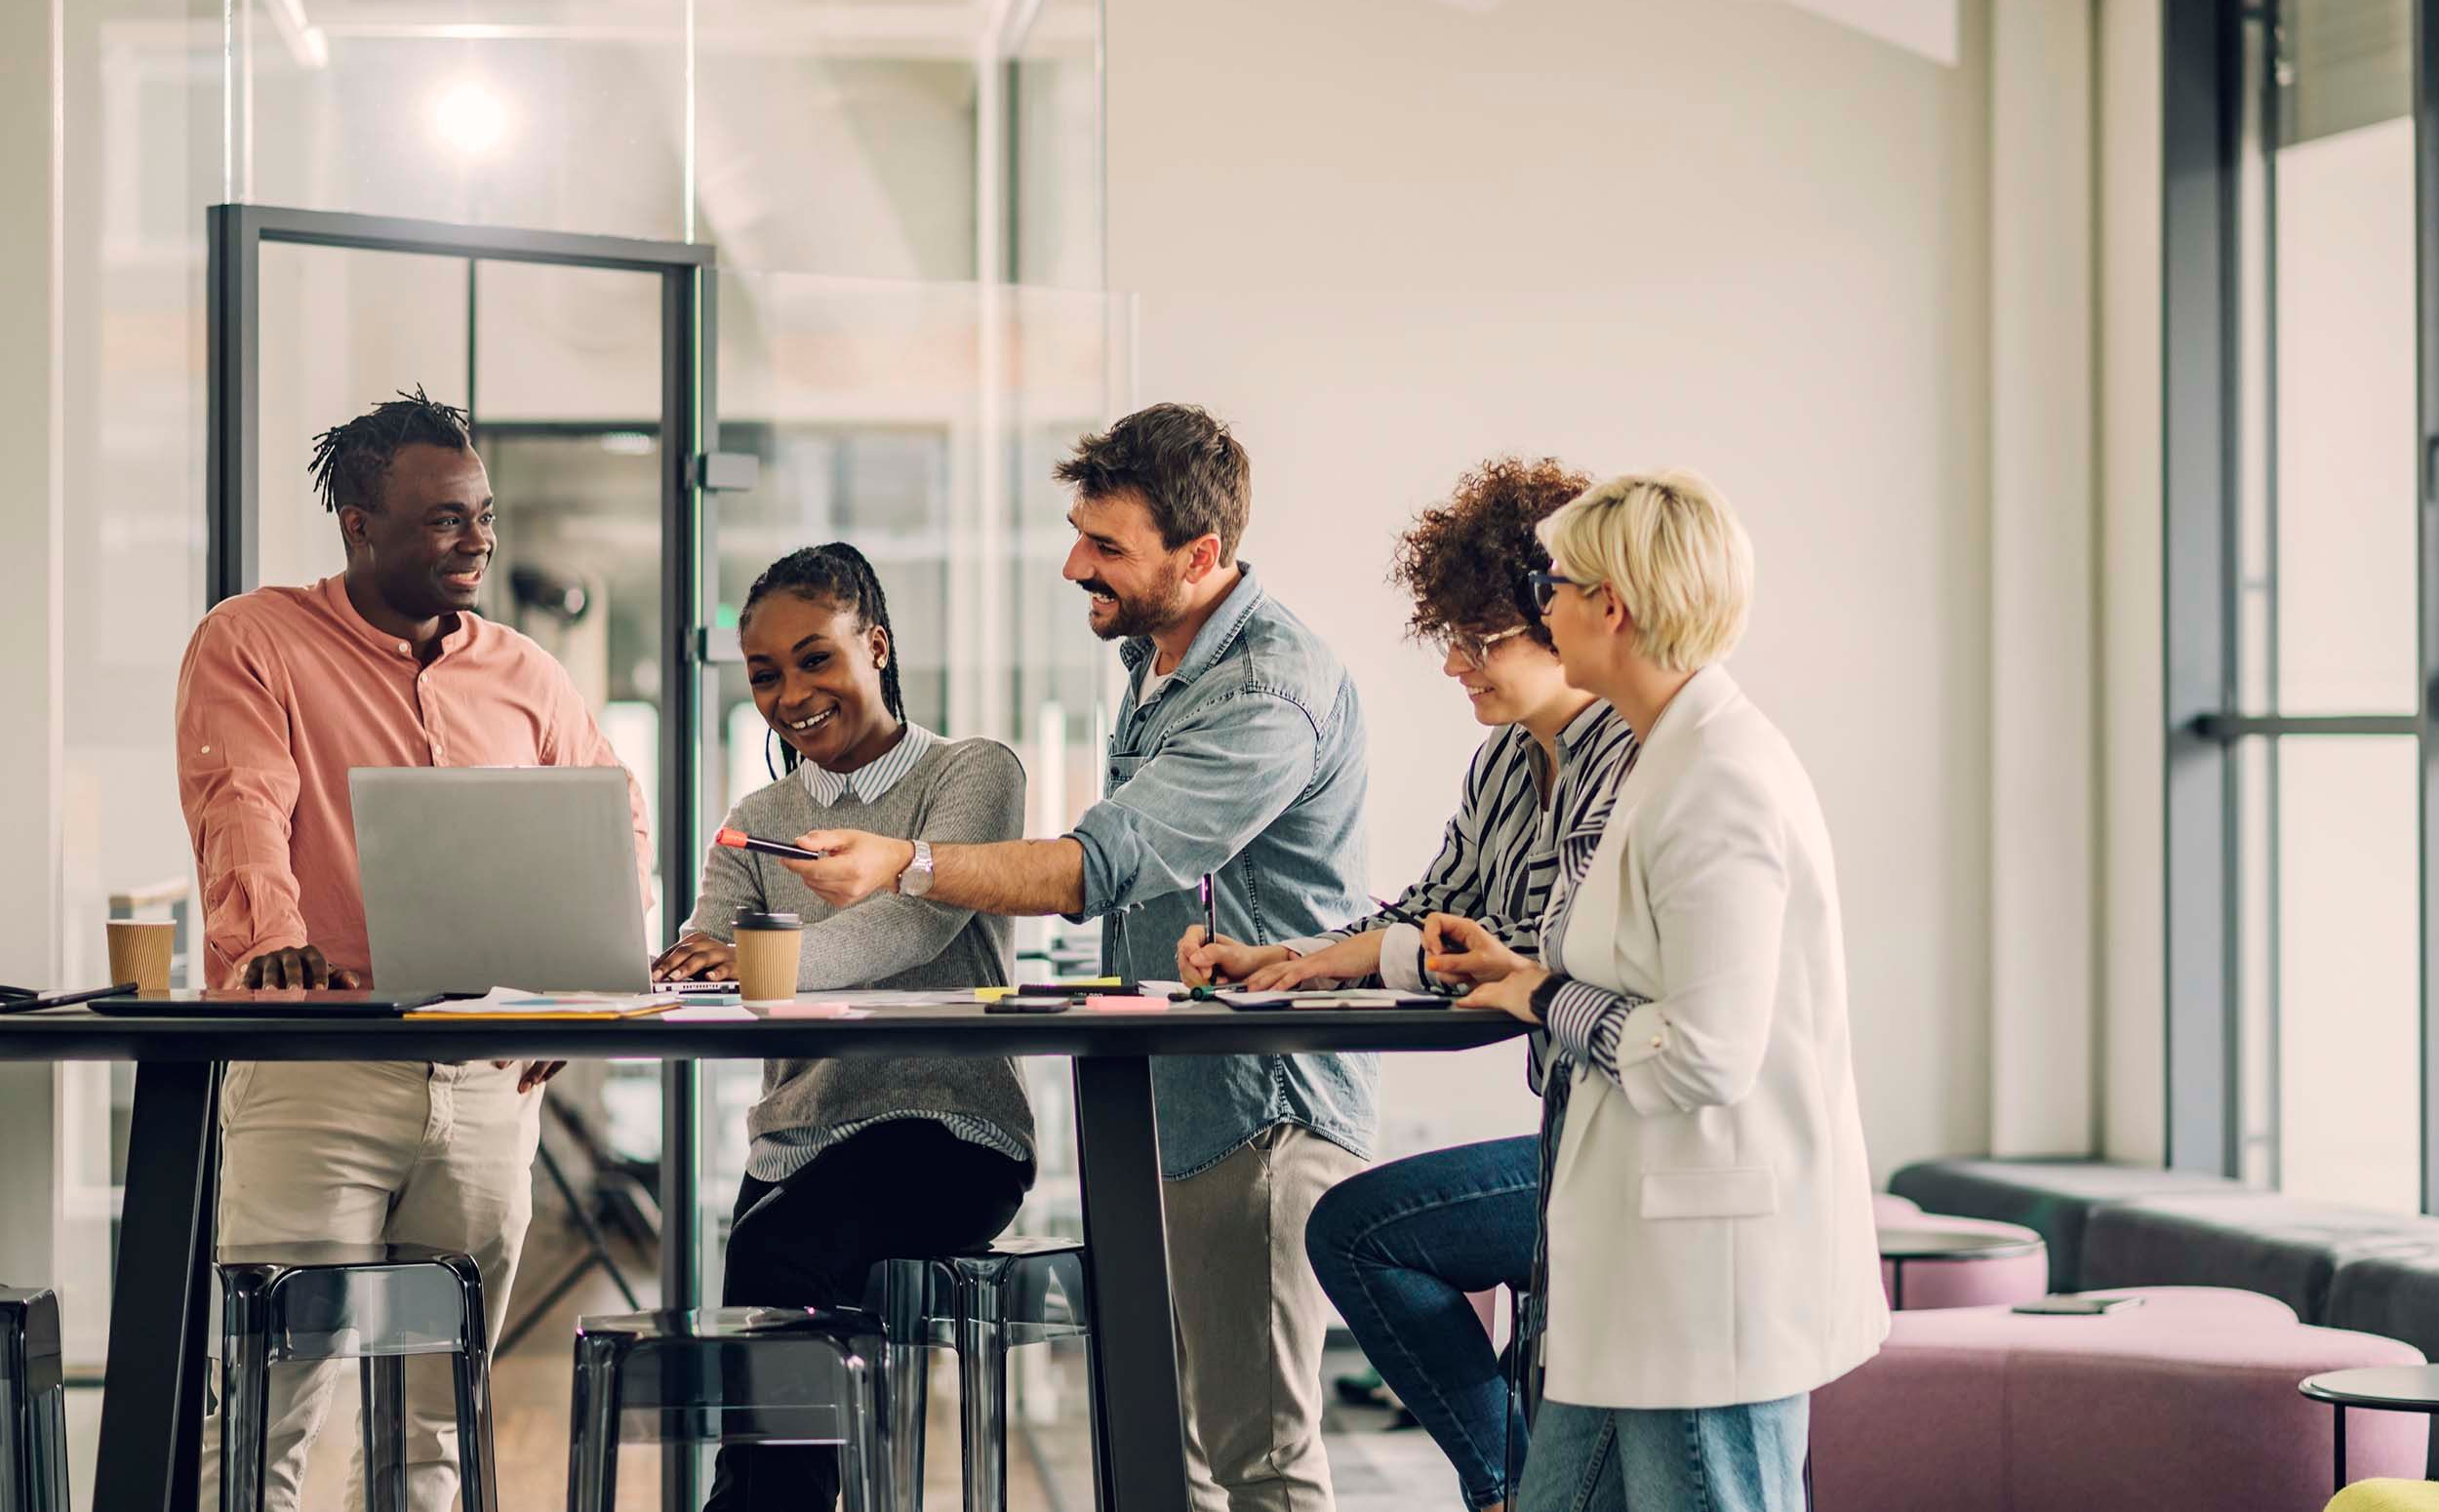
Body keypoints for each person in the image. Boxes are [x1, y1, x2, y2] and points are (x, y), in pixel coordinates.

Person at [781, 403, 1374, 1512]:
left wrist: (906, 862)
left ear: (1201, 556)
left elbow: (1093, 867)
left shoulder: (1263, 689)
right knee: (1170, 1451)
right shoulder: (1166, 653)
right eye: (1078, 532)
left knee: (1259, 1457)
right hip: (1167, 1102)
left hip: (1259, 1111)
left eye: (1106, 546)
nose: (1073, 563)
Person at [175, 388, 653, 1512]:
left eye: (481, 515)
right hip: (319, 1073)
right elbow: (241, 801)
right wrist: (272, 943)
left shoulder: (528, 674)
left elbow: (614, 827)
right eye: (444, 519)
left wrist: (574, 991)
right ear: (358, 520)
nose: (476, 538)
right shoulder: (255, 640)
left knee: (435, 1415)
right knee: (271, 1398)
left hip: (489, 1082)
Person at [1179, 458, 1637, 1512]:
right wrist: (1289, 959)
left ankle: (1511, 1485)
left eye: (1479, 640)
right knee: (1359, 1230)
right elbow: (1437, 909)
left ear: (1560, 618)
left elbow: (1520, 948)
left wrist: (1378, 954)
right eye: (1448, 637)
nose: (1453, 667)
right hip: (1571, 1124)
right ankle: (1519, 1483)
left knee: (1357, 1230)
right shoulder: (1510, 761)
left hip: (1626, 1137)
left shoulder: (1627, 756)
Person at [1424, 470, 1887, 1512]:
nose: (1541, 602)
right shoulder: (1659, 756)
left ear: (1611, 606)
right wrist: (1525, 978)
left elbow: (1704, 1054)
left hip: (1701, 1277)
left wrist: (1543, 997)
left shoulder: (1718, 777)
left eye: (1555, 583)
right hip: (1637, 1273)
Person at [653, 542, 1035, 1512]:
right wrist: (695, 963)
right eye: (766, 674)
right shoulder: (757, 814)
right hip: (795, 1143)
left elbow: (912, 920)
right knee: (775, 1253)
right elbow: (706, 948)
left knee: (781, 1252)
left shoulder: (971, 772)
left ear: (876, 642)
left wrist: (755, 962)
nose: (792, 692)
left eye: (816, 657)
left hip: (951, 1129)